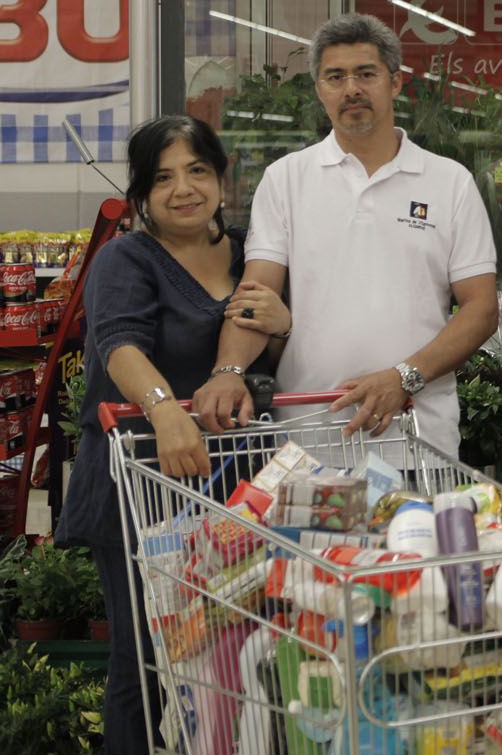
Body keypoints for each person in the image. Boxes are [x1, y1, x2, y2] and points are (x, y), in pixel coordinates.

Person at [55, 115, 291, 754]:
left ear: (221, 179)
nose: (183, 188)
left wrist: (284, 324)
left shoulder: (254, 255)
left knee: (238, 664)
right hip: (141, 485)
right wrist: (165, 411)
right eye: (162, 177)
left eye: (197, 171)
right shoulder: (126, 257)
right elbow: (119, 345)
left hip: (235, 490)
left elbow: (265, 359)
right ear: (141, 193)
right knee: (149, 662)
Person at [193, 13, 498, 456]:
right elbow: (256, 298)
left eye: (365, 74)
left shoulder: (448, 182)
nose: (350, 88)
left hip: (417, 437)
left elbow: (482, 309)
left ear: (394, 83)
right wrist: (227, 370)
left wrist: (403, 377)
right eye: (335, 77)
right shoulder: (286, 180)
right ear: (320, 89)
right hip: (309, 435)